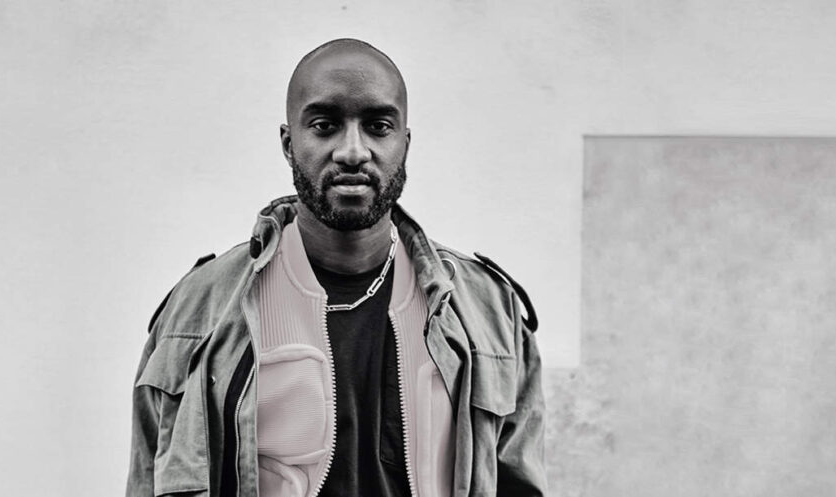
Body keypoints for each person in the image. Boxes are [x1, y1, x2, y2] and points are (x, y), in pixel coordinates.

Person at [127, 38, 546, 497]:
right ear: (289, 144)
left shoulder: (488, 309)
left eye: (377, 126)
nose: (352, 151)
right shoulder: (198, 309)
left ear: (404, 143)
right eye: (325, 125)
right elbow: (148, 479)